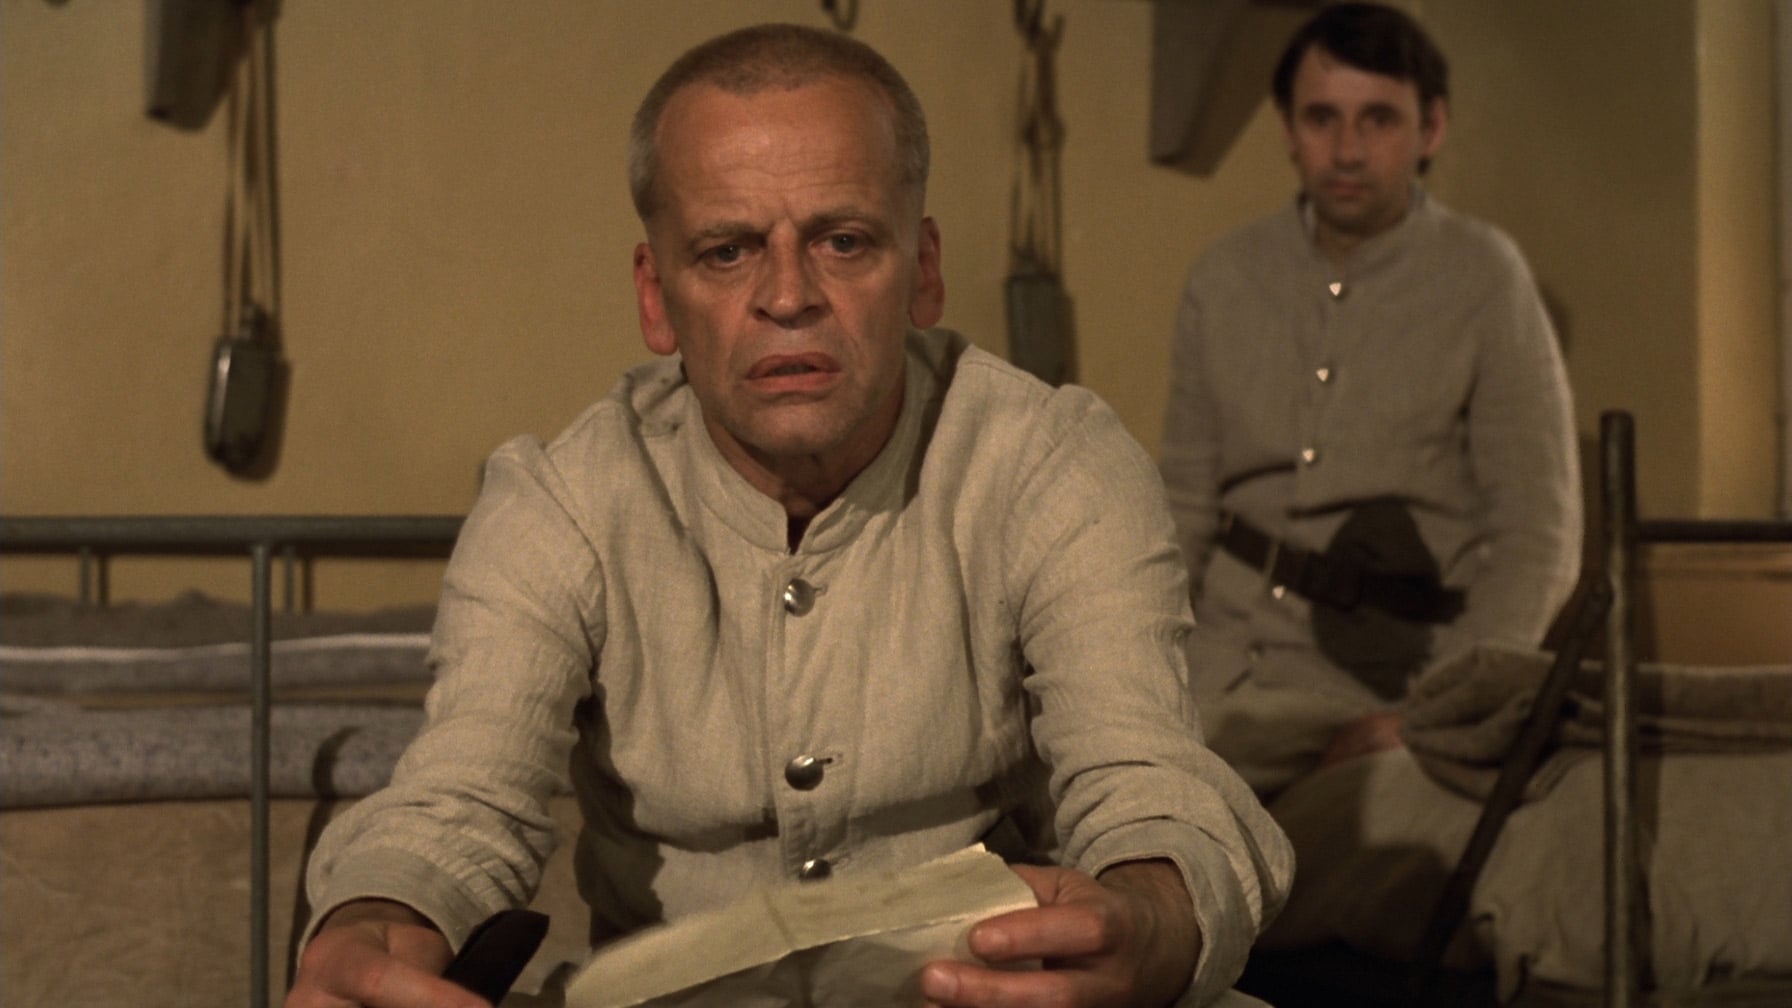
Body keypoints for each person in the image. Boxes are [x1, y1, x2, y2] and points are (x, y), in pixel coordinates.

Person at [287, 23, 1290, 1008]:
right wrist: (377, 918)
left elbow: (1146, 776)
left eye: (842, 242)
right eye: (726, 252)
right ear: (655, 296)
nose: (787, 296)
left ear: (923, 269)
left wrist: (1150, 919)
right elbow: (461, 801)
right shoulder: (562, 502)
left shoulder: (1049, 464)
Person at [1158, 2, 1582, 797]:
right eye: (1322, 118)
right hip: (1215, 679)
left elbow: (1539, 536)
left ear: (1431, 128)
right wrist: (1141, 683)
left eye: (1379, 119)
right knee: (1072, 808)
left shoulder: (1483, 275)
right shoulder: (1225, 276)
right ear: (1288, 129)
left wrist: (1436, 714)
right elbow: (1181, 508)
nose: (1348, 150)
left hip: (1382, 691)